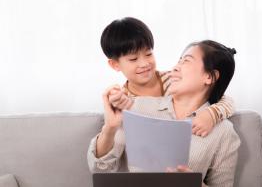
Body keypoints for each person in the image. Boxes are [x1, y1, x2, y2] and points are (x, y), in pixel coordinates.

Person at [88, 40, 240, 187]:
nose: (174, 68)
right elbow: (102, 169)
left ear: (209, 76)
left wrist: (195, 184)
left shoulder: (223, 132)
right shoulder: (137, 107)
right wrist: (110, 127)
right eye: (178, 61)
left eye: (186, 61)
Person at [100, 17, 235, 137]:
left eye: (148, 54)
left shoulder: (173, 80)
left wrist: (211, 115)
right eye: (133, 59)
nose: (144, 63)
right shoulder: (125, 100)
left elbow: (224, 99)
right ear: (115, 64)